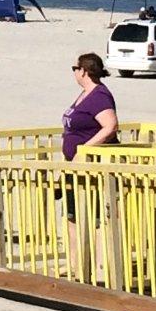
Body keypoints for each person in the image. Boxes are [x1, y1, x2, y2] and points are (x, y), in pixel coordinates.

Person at [60, 52, 119, 281]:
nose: (74, 72)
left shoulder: (99, 96)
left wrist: (84, 150)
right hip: (74, 168)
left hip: (92, 168)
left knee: (95, 218)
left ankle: (96, 267)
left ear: (84, 71)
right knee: (72, 216)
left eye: (75, 68)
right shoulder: (85, 94)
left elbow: (110, 126)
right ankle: (75, 265)